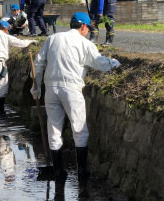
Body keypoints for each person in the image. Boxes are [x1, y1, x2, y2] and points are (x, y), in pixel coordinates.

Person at [30, 12, 120, 193]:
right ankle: (82, 171)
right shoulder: (84, 43)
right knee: (79, 129)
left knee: (54, 129)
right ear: (84, 27)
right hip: (71, 89)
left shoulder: (53, 39)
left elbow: (38, 64)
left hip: (51, 88)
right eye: (89, 28)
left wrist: (36, 88)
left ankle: (58, 172)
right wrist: (114, 63)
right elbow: (99, 63)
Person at [0, 21, 38, 116]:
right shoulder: (6, 36)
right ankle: (0, 112)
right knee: (2, 86)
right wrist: (31, 41)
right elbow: (20, 43)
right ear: (6, 29)